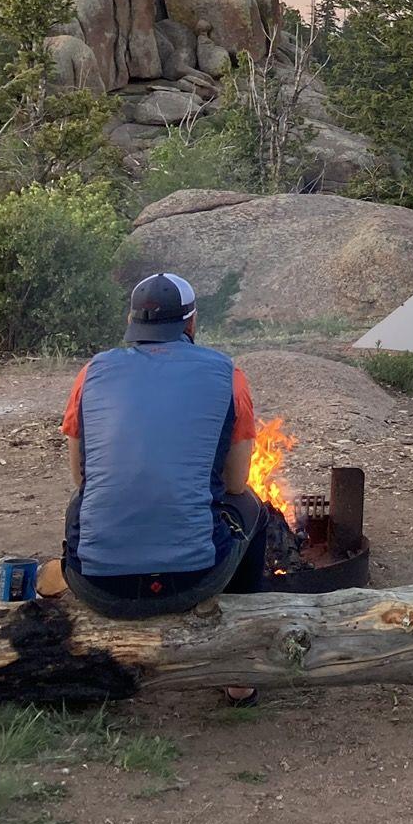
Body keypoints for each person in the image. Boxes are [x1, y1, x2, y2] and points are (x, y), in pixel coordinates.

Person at [60, 272, 271, 701]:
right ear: (190, 323)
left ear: (132, 320)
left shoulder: (92, 372)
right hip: (193, 580)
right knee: (254, 509)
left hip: (98, 586)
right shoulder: (228, 374)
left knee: (81, 501)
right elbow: (235, 482)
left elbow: (81, 476)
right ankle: (239, 675)